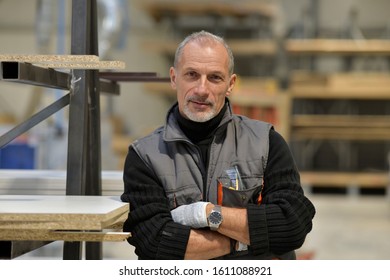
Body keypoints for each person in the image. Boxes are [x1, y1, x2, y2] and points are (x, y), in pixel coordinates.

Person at [121, 30, 315, 260]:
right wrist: (245, 240)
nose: (202, 89)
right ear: (174, 78)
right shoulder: (145, 157)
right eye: (192, 75)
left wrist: (206, 214)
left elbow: (292, 224)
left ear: (230, 84)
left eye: (215, 77)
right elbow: (155, 243)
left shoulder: (266, 142)